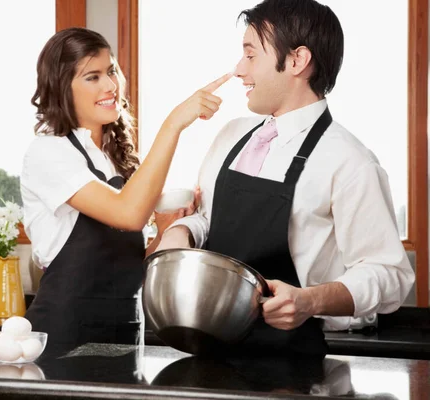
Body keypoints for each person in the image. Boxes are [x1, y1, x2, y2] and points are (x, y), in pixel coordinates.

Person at [157, 0, 415, 357]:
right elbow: (208, 219)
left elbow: (389, 275)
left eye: (250, 55)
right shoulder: (230, 136)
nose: (238, 69)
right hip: (207, 349)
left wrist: (309, 301)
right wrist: (180, 232)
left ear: (297, 61)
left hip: (289, 366)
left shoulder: (349, 161)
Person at [21, 27, 229, 349]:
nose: (110, 85)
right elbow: (128, 214)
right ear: (63, 88)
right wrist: (174, 123)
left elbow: (125, 268)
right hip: (63, 339)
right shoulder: (49, 152)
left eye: (112, 70)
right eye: (92, 77)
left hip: (124, 338)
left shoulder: (112, 159)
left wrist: (162, 234)